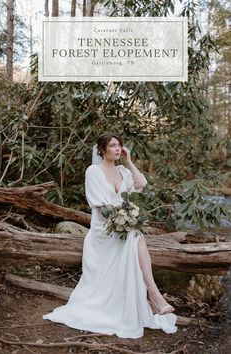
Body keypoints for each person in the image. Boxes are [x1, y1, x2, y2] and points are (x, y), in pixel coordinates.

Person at [43, 132, 177, 338]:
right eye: (113, 145)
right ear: (102, 149)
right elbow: (103, 208)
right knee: (135, 235)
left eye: (119, 145)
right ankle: (154, 294)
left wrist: (129, 160)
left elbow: (141, 184)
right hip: (103, 231)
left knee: (136, 235)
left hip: (123, 227)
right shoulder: (93, 171)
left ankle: (153, 293)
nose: (117, 148)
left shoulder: (123, 170)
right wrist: (123, 221)